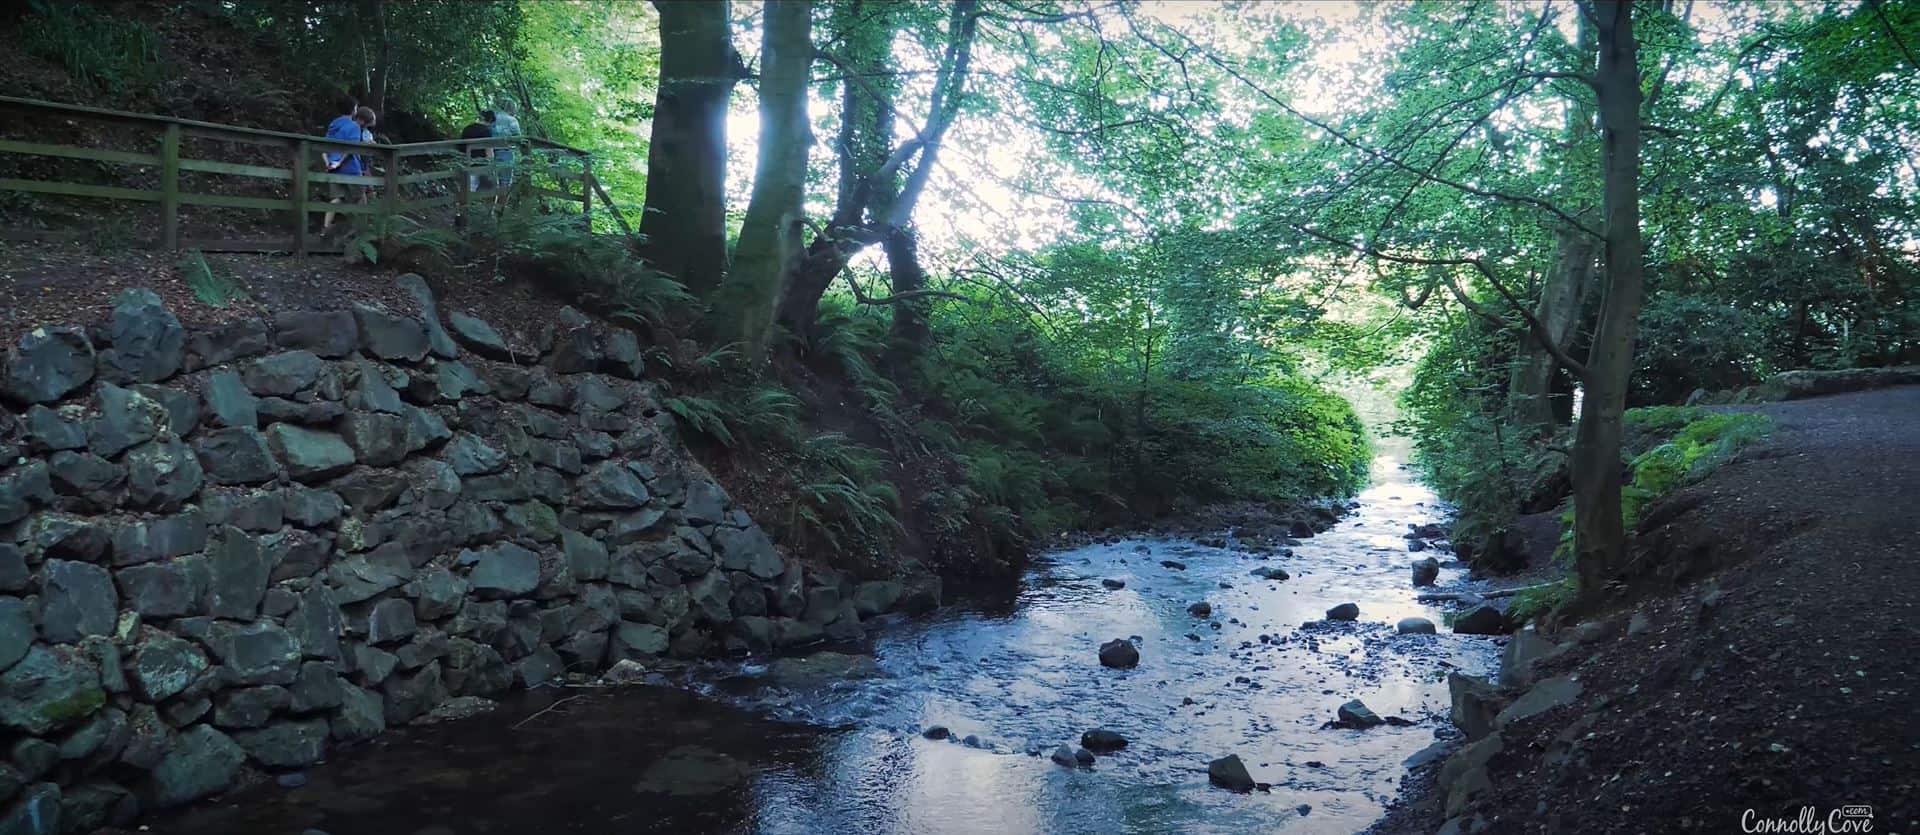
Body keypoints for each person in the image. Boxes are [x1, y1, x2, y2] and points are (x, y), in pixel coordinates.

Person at [318, 101, 375, 236]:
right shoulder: (354, 126)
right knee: (360, 195)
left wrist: (328, 162)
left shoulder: (335, 123)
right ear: (353, 111)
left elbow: (324, 146)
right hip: (350, 167)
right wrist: (339, 162)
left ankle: (325, 228)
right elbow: (350, 149)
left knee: (338, 198)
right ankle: (360, 232)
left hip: (333, 166)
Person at [484, 103, 522, 203]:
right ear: (512, 109)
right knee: (505, 182)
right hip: (505, 152)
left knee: (490, 181)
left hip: (488, 152)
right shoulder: (512, 120)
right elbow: (518, 137)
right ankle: (500, 208)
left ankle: (489, 208)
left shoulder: (492, 117)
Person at [460, 112, 494, 196]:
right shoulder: (486, 131)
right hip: (479, 164)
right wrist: (491, 165)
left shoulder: (467, 128)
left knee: (467, 188)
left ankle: (464, 202)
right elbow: (488, 151)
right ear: (490, 120)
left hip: (465, 162)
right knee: (475, 189)